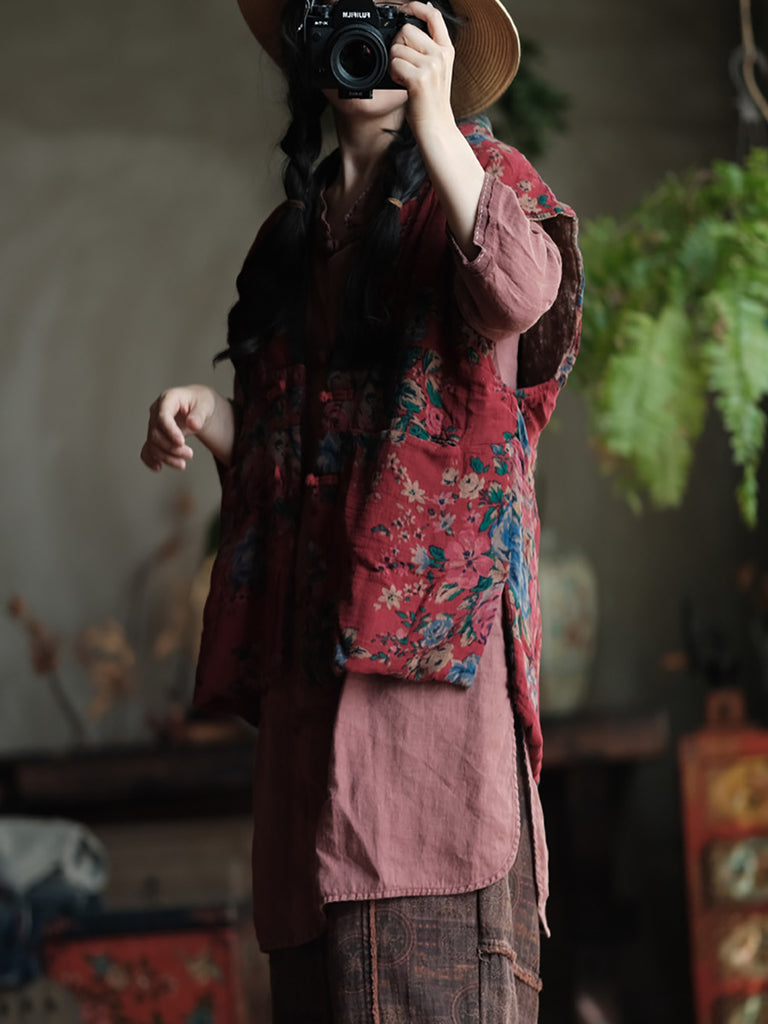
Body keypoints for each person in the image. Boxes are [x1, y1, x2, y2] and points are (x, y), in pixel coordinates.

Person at [141, 0, 582, 1016]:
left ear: (437, 39)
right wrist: (216, 419)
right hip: (308, 761)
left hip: (428, 761)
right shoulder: (292, 238)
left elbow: (522, 293)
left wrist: (437, 124)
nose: (367, 43)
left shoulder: (486, 181)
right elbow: (298, 474)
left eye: (393, 12)